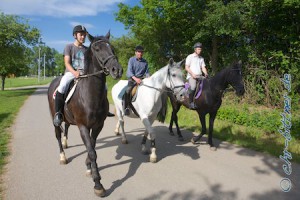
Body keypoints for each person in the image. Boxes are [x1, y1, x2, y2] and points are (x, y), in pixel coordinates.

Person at [53, 25, 113, 127]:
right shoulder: (69, 47)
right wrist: (74, 72)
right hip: (71, 73)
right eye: (81, 35)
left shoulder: (87, 49)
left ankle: (104, 110)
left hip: (85, 74)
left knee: (105, 86)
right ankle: (58, 113)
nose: (83, 37)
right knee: (62, 86)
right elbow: (67, 63)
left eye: (84, 35)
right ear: (75, 35)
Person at [123, 45, 150, 116]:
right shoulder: (131, 60)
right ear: (135, 52)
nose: (140, 53)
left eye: (141, 52)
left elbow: (147, 72)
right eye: (139, 52)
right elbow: (129, 72)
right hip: (132, 79)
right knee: (127, 91)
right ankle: (126, 107)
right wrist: (136, 79)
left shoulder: (145, 62)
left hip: (142, 80)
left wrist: (149, 77)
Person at [185, 42, 208, 110]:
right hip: (192, 76)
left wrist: (206, 73)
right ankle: (191, 102)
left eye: (200, 49)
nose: (200, 50)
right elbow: (186, 67)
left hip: (200, 76)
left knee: (208, 84)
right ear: (195, 49)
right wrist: (192, 74)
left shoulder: (201, 58)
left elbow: (203, 67)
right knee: (193, 87)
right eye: (198, 49)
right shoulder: (190, 57)